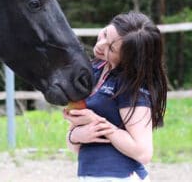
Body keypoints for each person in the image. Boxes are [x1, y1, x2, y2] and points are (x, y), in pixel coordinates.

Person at [63, 11, 168, 182]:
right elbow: (74, 146)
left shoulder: (131, 85)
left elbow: (143, 152)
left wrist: (100, 124)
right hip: (89, 174)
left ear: (128, 58)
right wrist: (75, 135)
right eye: (105, 33)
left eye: (111, 48)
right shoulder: (95, 69)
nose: (101, 44)